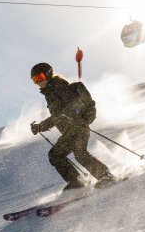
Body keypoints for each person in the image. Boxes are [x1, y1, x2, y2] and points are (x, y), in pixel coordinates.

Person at [29, 62, 116, 190]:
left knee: (80, 154)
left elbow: (85, 104)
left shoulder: (62, 88)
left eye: (39, 78)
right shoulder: (50, 96)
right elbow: (57, 117)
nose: (38, 82)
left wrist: (82, 119)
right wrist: (40, 126)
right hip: (69, 132)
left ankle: (105, 176)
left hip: (79, 128)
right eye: (34, 80)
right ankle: (77, 182)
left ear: (48, 74)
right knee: (55, 155)